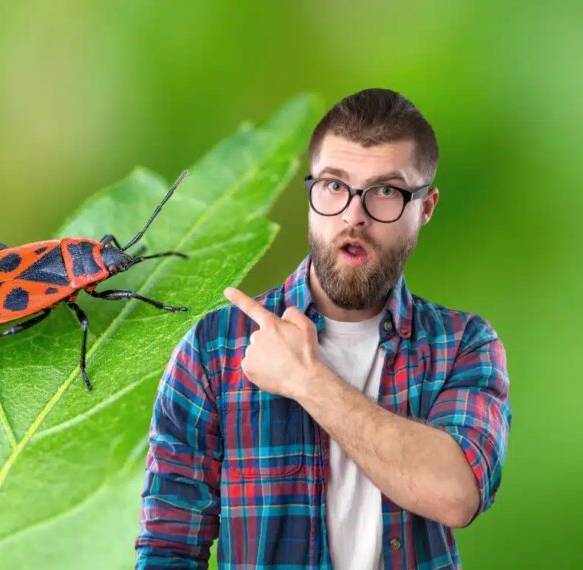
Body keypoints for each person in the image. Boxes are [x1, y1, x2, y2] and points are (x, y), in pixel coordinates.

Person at [134, 87, 512, 569]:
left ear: (426, 206)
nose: (354, 216)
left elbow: (455, 494)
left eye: (385, 192)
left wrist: (307, 380)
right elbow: (169, 549)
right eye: (335, 186)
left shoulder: (463, 345)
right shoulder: (214, 349)